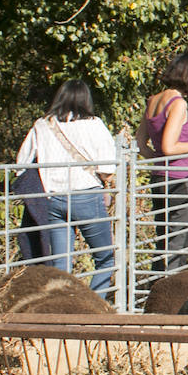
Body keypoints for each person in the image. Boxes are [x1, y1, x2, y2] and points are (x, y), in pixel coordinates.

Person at [15, 79, 118, 290]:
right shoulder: (94, 124)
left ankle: (64, 311)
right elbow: (108, 169)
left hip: (52, 198)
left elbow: (21, 164)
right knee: (106, 258)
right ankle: (95, 306)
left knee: (61, 265)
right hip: (87, 196)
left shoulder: (42, 125)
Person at [135, 49, 188, 273]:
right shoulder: (177, 103)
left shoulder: (153, 101)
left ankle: (157, 287)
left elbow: (140, 142)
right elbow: (169, 146)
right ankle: (170, 293)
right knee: (178, 241)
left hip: (159, 179)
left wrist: (157, 161)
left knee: (164, 239)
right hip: (180, 180)